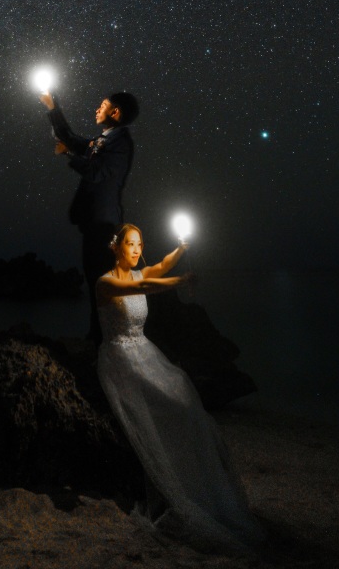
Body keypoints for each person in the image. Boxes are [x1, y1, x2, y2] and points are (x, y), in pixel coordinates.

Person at [96, 224, 265, 552]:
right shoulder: (106, 283)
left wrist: (183, 248)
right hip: (119, 356)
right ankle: (171, 484)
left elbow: (157, 268)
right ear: (116, 247)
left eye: (139, 244)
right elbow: (146, 284)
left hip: (143, 349)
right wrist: (180, 282)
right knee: (164, 405)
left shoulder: (139, 272)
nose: (135, 248)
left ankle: (194, 480)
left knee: (184, 398)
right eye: (129, 243)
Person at [39, 90, 140, 343]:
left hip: (104, 224)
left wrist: (69, 156)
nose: (97, 109)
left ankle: (104, 340)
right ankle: (99, 338)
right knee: (95, 281)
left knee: (100, 283)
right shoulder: (105, 139)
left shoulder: (121, 144)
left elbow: (97, 172)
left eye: (103, 105)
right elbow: (71, 139)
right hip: (93, 222)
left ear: (115, 112)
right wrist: (53, 107)